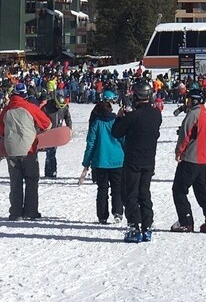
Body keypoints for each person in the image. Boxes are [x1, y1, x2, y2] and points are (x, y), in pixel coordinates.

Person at [111, 80, 162, 243]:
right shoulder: (156, 114)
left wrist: (120, 118)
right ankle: (147, 225)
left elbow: (117, 133)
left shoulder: (133, 116)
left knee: (131, 194)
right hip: (149, 160)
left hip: (133, 159)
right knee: (144, 193)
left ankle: (135, 226)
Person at [0, 82, 52, 221]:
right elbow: (47, 124)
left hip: (11, 150)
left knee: (15, 182)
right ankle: (30, 211)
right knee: (31, 180)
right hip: (28, 149)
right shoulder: (30, 107)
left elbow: (0, 130)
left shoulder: (6, 110)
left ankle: (15, 213)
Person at [171, 81, 206, 234]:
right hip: (202, 157)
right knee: (202, 190)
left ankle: (186, 222)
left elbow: (186, 134)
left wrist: (179, 151)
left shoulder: (193, 114)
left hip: (191, 157)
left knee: (179, 189)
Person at [81, 92, 125, 224]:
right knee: (117, 189)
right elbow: (124, 140)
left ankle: (102, 216)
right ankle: (118, 211)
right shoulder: (117, 122)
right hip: (118, 160)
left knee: (102, 189)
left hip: (100, 161)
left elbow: (91, 144)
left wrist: (86, 162)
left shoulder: (96, 124)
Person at [43, 89, 72, 178]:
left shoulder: (64, 108)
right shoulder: (47, 107)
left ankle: (51, 171)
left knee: (52, 152)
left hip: (57, 132)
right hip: (48, 132)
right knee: (50, 152)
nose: (59, 108)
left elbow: (68, 118)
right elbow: (41, 118)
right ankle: (50, 171)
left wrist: (69, 129)